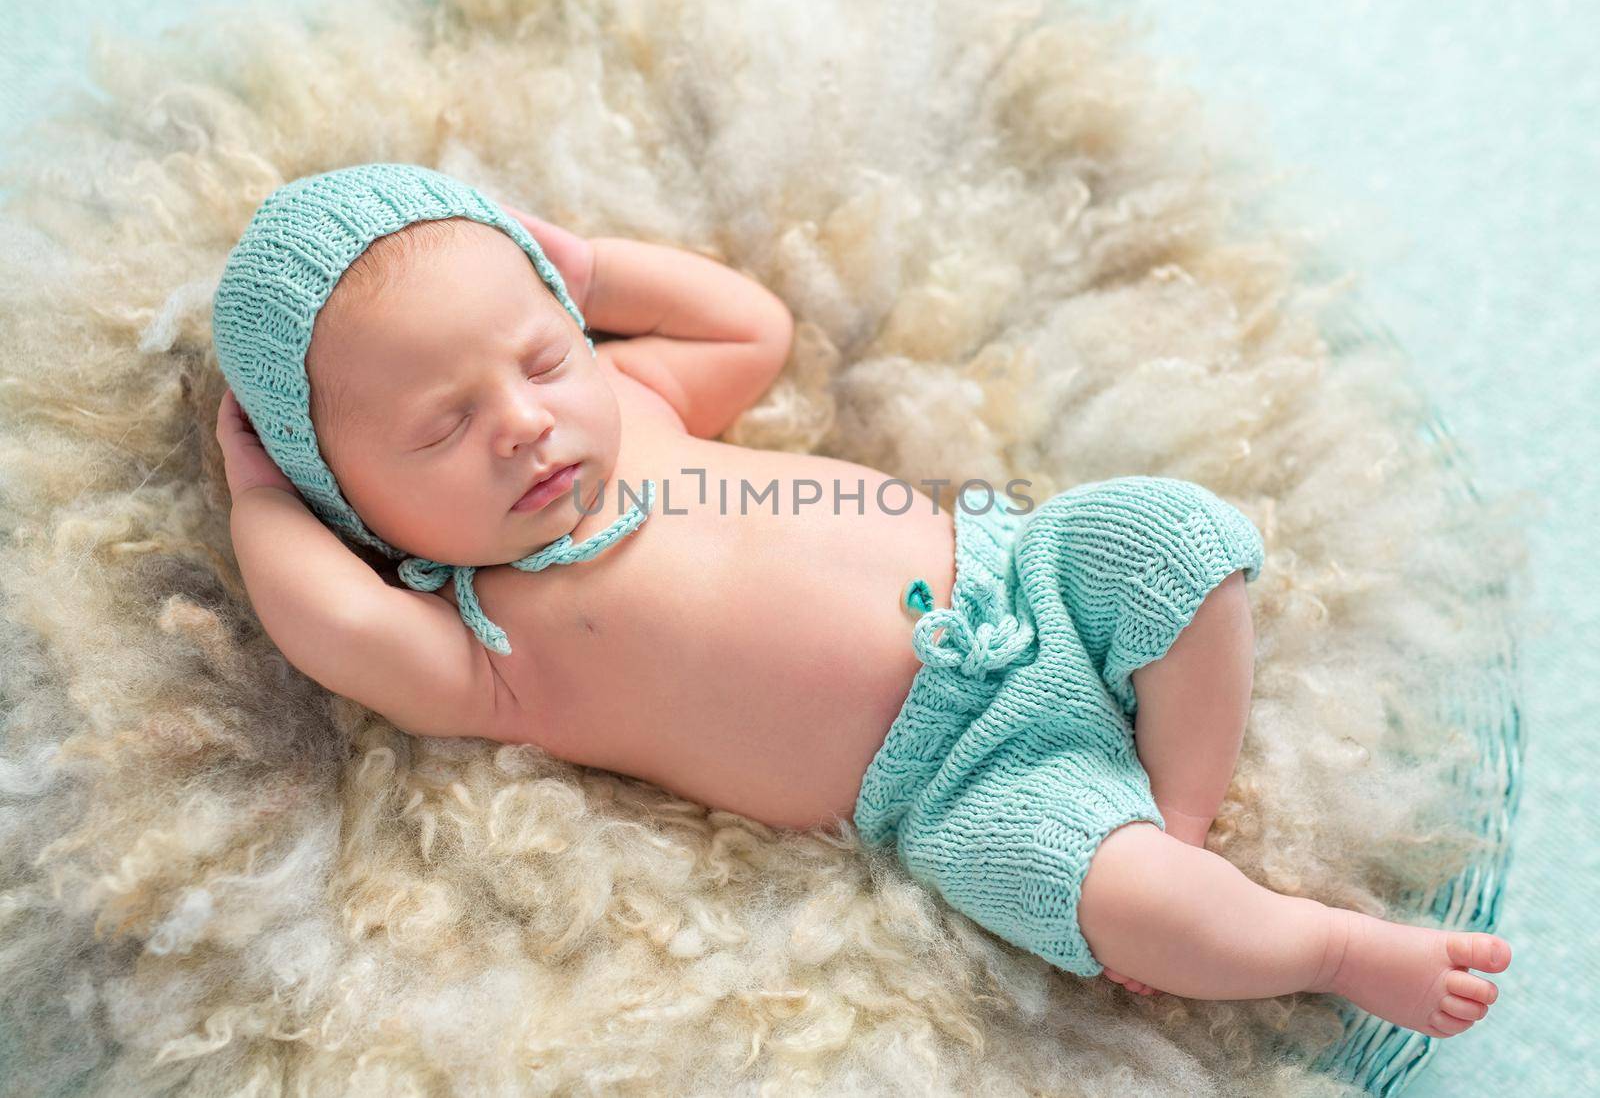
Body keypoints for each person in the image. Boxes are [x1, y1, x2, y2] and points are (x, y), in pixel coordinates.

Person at [212, 163, 1509, 1039]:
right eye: (443, 430)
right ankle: (1321, 949)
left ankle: (1179, 802)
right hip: (954, 778)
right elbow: (328, 624)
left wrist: (594, 270)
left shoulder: (642, 409)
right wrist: (257, 497)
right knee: (1104, 896)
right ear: (352, 498)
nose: (524, 426)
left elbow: (750, 329)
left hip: (1024, 573)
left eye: (544, 356)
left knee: (1178, 538)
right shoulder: (493, 645)